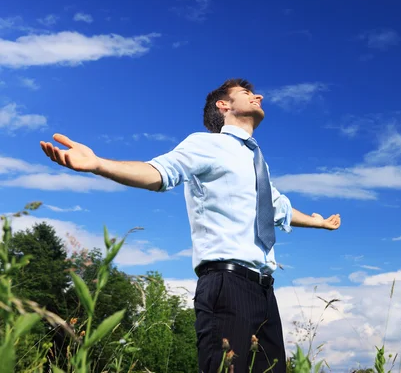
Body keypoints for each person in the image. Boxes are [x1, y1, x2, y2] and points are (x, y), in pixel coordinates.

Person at [39, 78, 341, 373]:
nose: (257, 96)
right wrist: (100, 164)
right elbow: (159, 172)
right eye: (246, 92)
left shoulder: (256, 163)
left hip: (264, 290)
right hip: (227, 284)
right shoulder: (206, 144)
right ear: (223, 106)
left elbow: (278, 207)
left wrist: (320, 224)